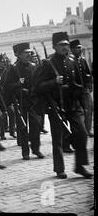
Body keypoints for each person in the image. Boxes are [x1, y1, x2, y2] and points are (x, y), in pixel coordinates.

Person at [33, 32, 92, 179]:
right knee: (58, 139)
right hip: (56, 105)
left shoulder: (73, 60)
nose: (65, 47)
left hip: (73, 104)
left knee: (82, 133)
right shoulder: (47, 64)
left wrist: (81, 101)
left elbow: (79, 83)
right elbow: (37, 86)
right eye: (61, 45)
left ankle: (80, 166)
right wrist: (54, 82)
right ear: (54, 46)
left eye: (66, 44)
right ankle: (59, 169)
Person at [4, 42, 44, 160]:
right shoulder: (13, 68)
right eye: (25, 53)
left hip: (33, 101)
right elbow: (6, 86)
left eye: (29, 52)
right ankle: (25, 152)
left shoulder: (33, 66)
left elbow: (38, 82)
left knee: (36, 125)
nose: (28, 54)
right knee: (22, 128)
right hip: (20, 102)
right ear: (19, 55)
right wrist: (18, 84)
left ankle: (36, 149)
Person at [70, 39, 93, 138]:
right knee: (78, 113)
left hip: (85, 90)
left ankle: (88, 129)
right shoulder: (70, 61)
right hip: (75, 92)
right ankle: (80, 132)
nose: (79, 50)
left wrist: (89, 85)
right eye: (77, 48)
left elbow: (88, 73)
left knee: (89, 109)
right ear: (72, 50)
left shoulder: (83, 60)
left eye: (80, 47)